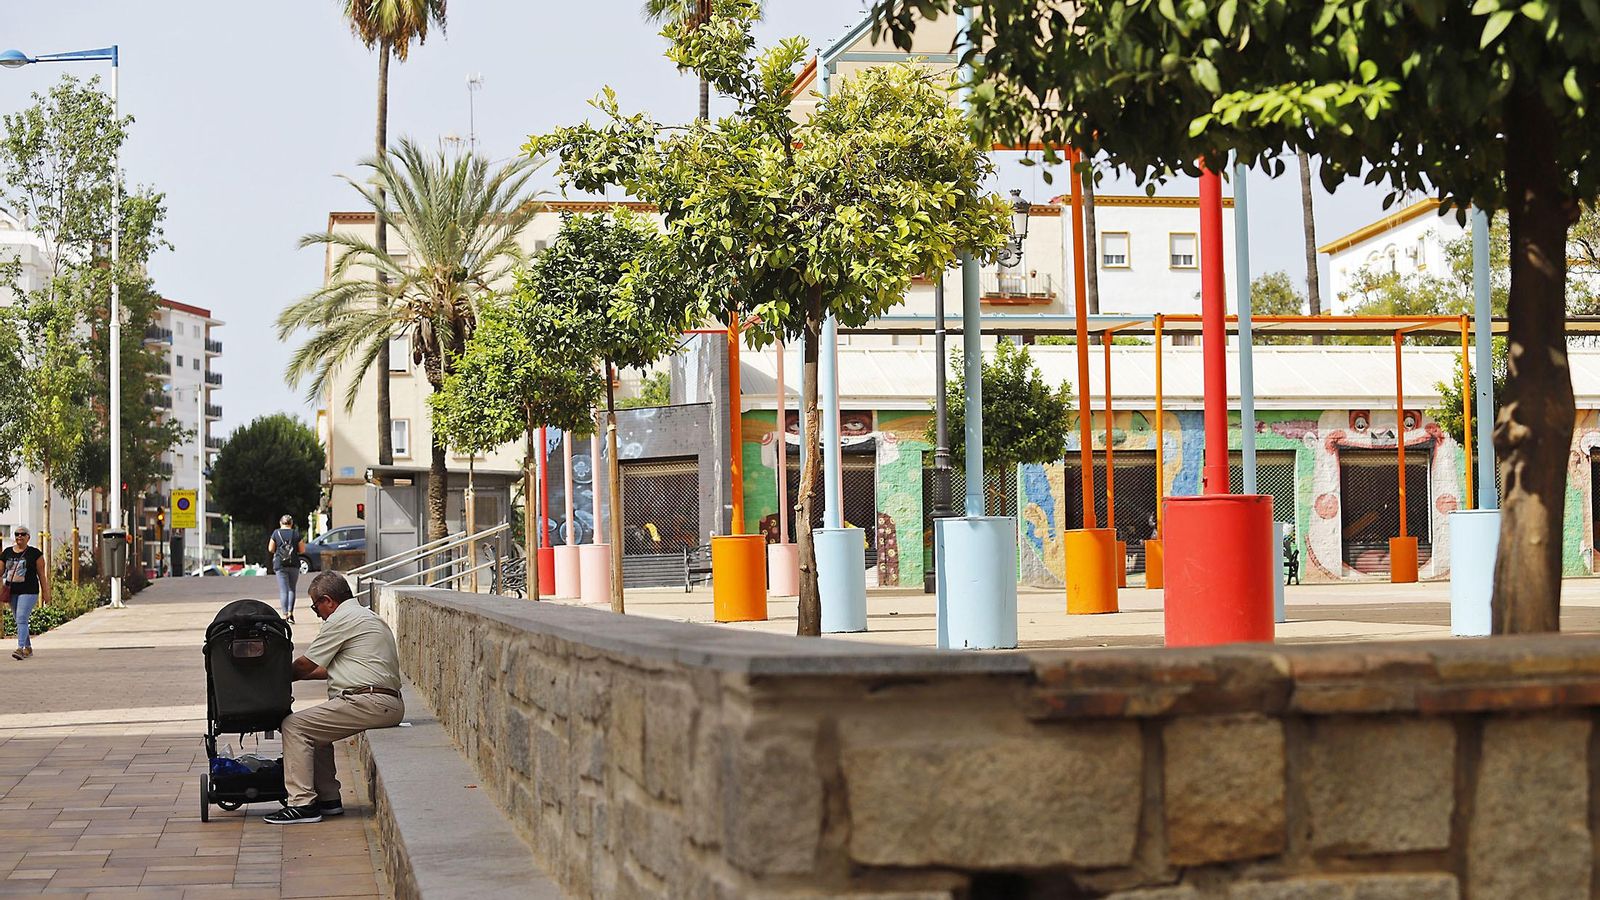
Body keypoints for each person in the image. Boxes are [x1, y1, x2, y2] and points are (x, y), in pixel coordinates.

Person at [265, 571, 404, 826]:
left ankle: (302, 803)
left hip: (370, 701)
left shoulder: (341, 618)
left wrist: (270, 677)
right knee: (314, 729)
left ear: (328, 600)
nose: (317, 612)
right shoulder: (366, 615)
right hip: (385, 701)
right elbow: (326, 669)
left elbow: (306, 665)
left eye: (315, 606)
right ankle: (329, 800)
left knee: (294, 726)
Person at [3, 526, 46, 661]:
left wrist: (46, 592)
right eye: (17, 534)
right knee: (19, 620)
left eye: (23, 534)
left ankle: (21, 648)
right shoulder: (7, 552)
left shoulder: (35, 553)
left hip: (29, 591)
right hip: (12, 591)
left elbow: (42, 575)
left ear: (28, 537)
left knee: (21, 617)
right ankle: (28, 647)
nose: (19, 537)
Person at [269, 515, 306, 622]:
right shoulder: (295, 533)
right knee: (292, 589)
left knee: (283, 589)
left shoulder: (276, 533)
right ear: (291, 523)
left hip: (280, 564)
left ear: (281, 523)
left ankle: (284, 614)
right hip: (294, 564)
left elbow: (270, 548)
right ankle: (291, 613)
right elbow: (302, 550)